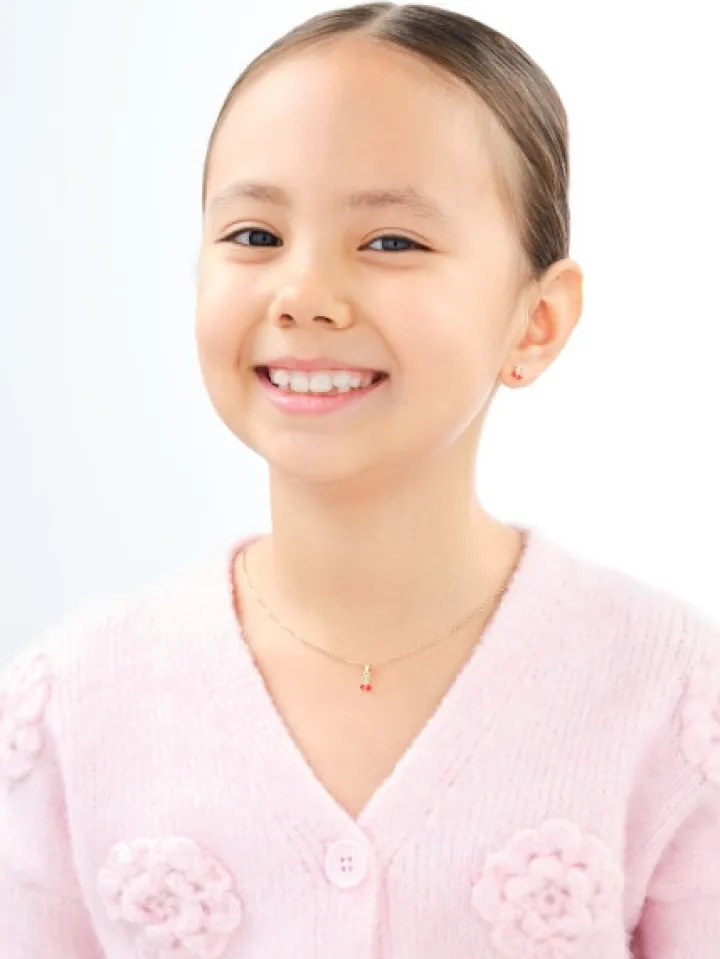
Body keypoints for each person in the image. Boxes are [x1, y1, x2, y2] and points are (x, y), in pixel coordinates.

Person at [1, 3, 718, 956]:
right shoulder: (71, 706)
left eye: (391, 242)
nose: (304, 295)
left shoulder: (672, 695)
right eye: (255, 235)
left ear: (536, 321)